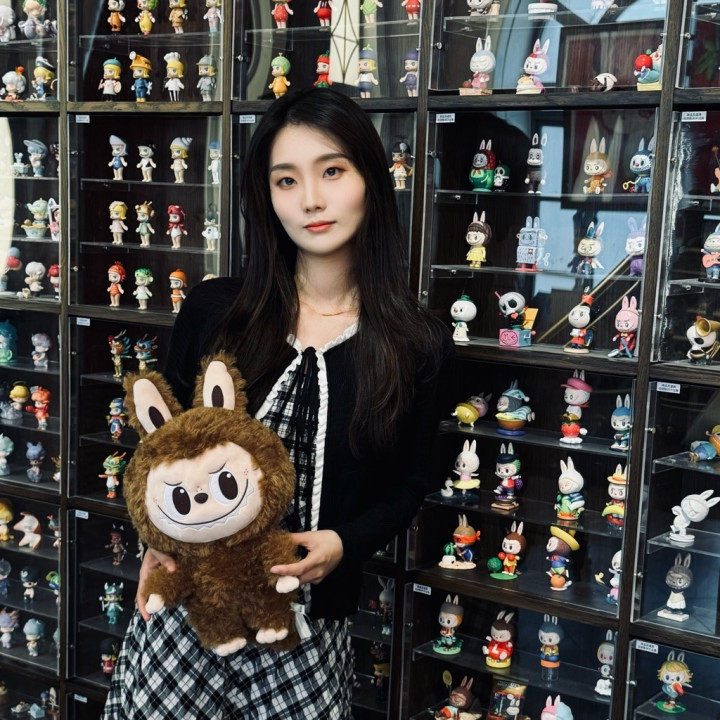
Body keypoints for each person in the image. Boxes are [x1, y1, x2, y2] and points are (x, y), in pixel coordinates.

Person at [102, 87, 453, 719]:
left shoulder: (415, 342)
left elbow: (409, 485)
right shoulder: (216, 310)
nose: (311, 200)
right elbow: (157, 449)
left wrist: (343, 543)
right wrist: (153, 538)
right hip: (187, 619)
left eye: (332, 171)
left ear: (371, 181)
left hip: (309, 633)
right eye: (286, 180)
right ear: (266, 197)